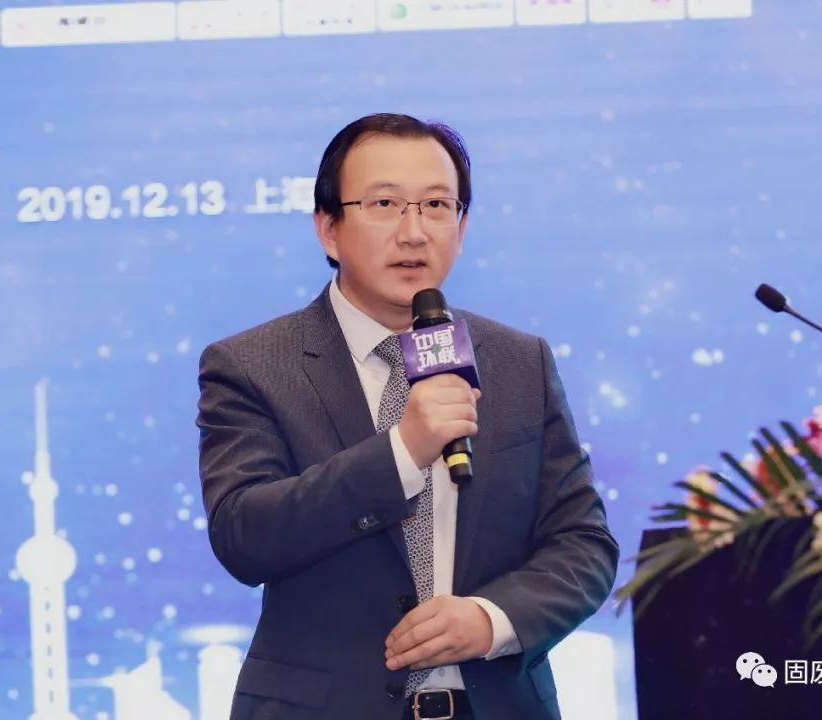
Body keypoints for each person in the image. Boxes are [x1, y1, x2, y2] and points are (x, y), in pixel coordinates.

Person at [197, 113, 618, 720]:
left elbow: (584, 544)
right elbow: (245, 536)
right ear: (328, 228)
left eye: (437, 206)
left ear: (461, 228)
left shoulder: (519, 361)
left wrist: (492, 619)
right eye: (385, 204)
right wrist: (404, 450)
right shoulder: (253, 364)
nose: (414, 232)